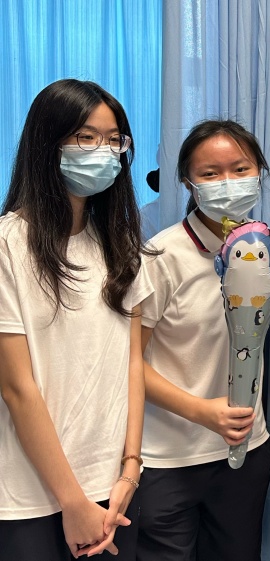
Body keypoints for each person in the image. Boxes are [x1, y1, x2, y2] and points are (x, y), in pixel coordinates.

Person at [0, 79, 151, 560]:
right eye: (86, 137)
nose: (103, 152)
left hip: (115, 488)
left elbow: (132, 364)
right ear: (47, 142)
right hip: (33, 497)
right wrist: (72, 501)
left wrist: (130, 468)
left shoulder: (121, 245)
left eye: (114, 140)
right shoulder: (8, 244)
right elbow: (17, 387)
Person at [136, 120, 270, 560]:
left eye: (240, 169)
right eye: (211, 173)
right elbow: (128, 363)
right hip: (169, 459)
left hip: (245, 451)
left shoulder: (265, 248)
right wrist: (202, 411)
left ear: (259, 172)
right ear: (187, 183)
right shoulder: (160, 257)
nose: (228, 183)